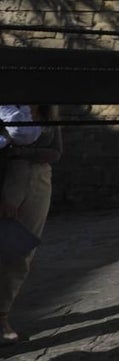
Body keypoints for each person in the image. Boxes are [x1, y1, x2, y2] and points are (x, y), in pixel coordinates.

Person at [0, 105, 62, 343]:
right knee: (5, 249)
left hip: (41, 179)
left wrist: (22, 151)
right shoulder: (8, 107)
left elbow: (56, 152)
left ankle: (2, 314)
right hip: (11, 178)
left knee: (23, 251)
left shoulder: (50, 111)